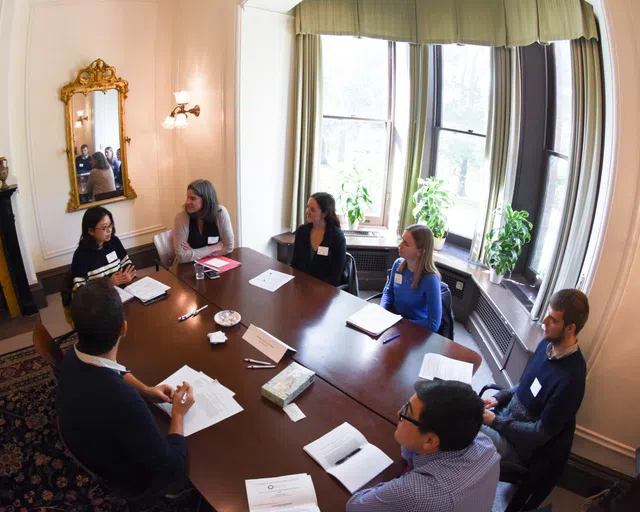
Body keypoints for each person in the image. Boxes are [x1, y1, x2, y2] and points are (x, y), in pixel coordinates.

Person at [56, 279, 194, 498]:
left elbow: (113, 370)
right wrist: (177, 414)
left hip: (87, 441)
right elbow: (171, 469)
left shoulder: (72, 353)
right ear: (124, 328)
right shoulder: (124, 400)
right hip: (128, 477)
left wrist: (146, 389)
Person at [346, 380, 500, 511]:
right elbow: (408, 454)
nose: (399, 413)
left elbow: (356, 506)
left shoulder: (416, 493)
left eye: (407, 413)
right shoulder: (484, 443)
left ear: (430, 441)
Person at [481, 289, 589, 465]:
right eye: (547, 314)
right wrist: (498, 397)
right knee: (462, 407)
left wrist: (495, 421)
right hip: (504, 418)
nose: (544, 322)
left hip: (517, 445)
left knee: (462, 424)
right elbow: (525, 385)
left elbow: (539, 433)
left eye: (553, 320)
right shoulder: (546, 344)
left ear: (571, 328)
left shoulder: (572, 379)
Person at [380, 224, 442, 331]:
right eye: (401, 240)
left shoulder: (431, 280)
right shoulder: (398, 265)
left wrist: (401, 324)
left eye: (406, 244)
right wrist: (382, 309)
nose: (399, 245)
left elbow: (433, 324)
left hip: (415, 328)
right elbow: (389, 292)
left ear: (420, 251)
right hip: (395, 320)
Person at [70, 206, 136, 293]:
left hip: (122, 293)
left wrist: (127, 275)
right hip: (99, 300)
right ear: (91, 231)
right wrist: (108, 284)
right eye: (104, 227)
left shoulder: (114, 242)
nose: (109, 230)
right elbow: (81, 292)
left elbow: (126, 263)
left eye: (110, 225)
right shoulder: (80, 255)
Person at [291, 192, 346, 287]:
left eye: (312, 210)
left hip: (325, 289)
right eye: (307, 207)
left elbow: (335, 275)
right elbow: (295, 264)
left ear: (324, 214)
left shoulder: (336, 237)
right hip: (302, 286)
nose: (307, 212)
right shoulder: (302, 231)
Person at [173, 179, 234, 263]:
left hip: (215, 264)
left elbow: (229, 247)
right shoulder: (181, 218)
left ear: (206, 199)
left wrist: (193, 253)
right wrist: (213, 248)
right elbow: (182, 257)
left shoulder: (221, 213)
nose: (187, 202)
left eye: (193, 198)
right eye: (187, 197)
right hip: (188, 267)